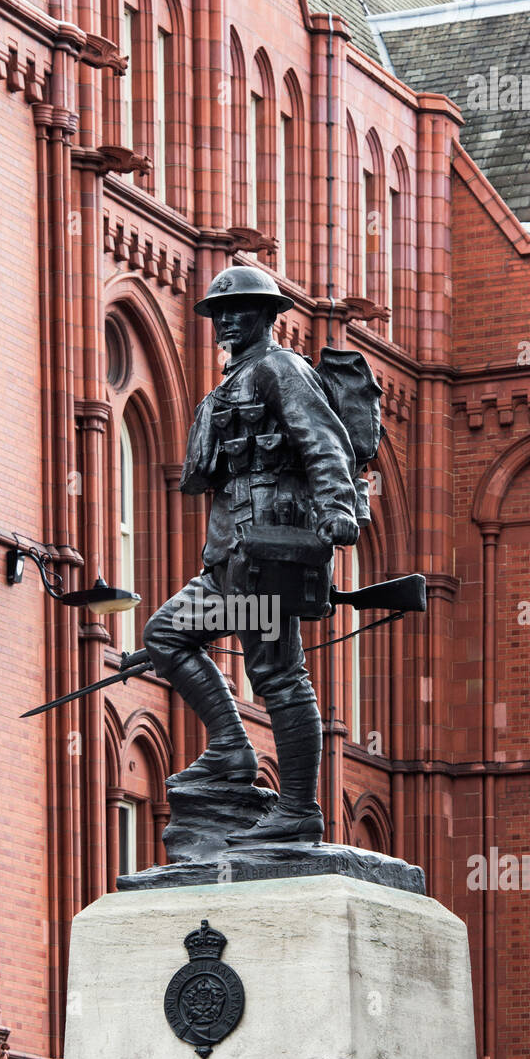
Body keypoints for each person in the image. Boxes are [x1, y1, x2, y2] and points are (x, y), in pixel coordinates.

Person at [142, 264, 359, 845]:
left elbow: (322, 439)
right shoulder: (226, 388)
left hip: (270, 555)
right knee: (165, 635)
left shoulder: (278, 368)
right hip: (230, 557)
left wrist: (339, 509)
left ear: (266, 315)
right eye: (220, 313)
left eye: (241, 310)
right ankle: (233, 750)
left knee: (279, 676)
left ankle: (297, 810)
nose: (227, 321)